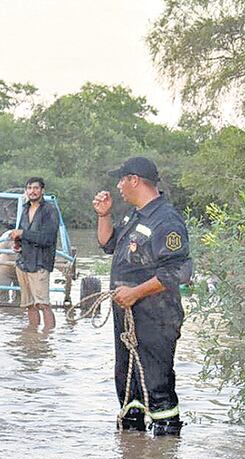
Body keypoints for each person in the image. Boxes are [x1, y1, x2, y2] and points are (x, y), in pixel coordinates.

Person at [93, 156, 191, 436]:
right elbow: (108, 243)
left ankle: (164, 458)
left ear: (134, 180)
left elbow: (178, 272)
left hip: (156, 317)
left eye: (122, 179)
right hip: (128, 316)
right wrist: (103, 215)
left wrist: (135, 293)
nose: (119, 186)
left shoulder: (166, 220)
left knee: (156, 384)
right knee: (127, 384)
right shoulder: (133, 214)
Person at [10, 177, 58, 329]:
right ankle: (32, 338)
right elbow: (20, 234)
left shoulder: (49, 210)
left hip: (40, 263)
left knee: (43, 304)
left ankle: (48, 338)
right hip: (23, 262)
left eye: (36, 188)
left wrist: (23, 234)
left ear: (42, 191)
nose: (33, 191)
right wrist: (17, 244)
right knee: (29, 305)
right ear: (26, 191)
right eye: (30, 188)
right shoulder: (25, 209)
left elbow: (48, 239)